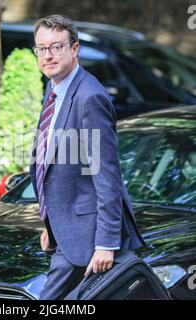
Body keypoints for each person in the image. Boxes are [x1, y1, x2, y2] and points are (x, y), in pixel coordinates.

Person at [29, 14, 146, 300]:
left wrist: (106, 243)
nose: (48, 55)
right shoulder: (54, 87)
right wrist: (52, 227)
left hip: (88, 235)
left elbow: (107, 175)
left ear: (75, 48)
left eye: (56, 47)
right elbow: (51, 164)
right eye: (41, 49)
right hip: (67, 231)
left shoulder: (89, 97)